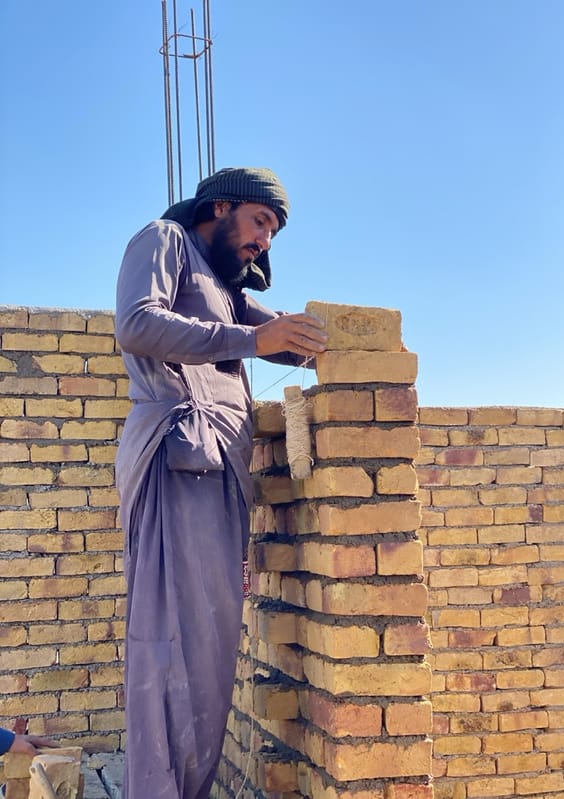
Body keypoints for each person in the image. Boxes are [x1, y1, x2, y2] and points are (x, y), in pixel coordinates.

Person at [115, 167, 327, 799]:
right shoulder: (165, 241)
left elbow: (287, 339)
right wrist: (255, 338)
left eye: (275, 232)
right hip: (178, 458)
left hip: (221, 470)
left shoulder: (226, 286)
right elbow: (136, 324)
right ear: (220, 207)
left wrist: (335, 339)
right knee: (171, 641)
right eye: (261, 221)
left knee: (209, 650)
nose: (265, 240)